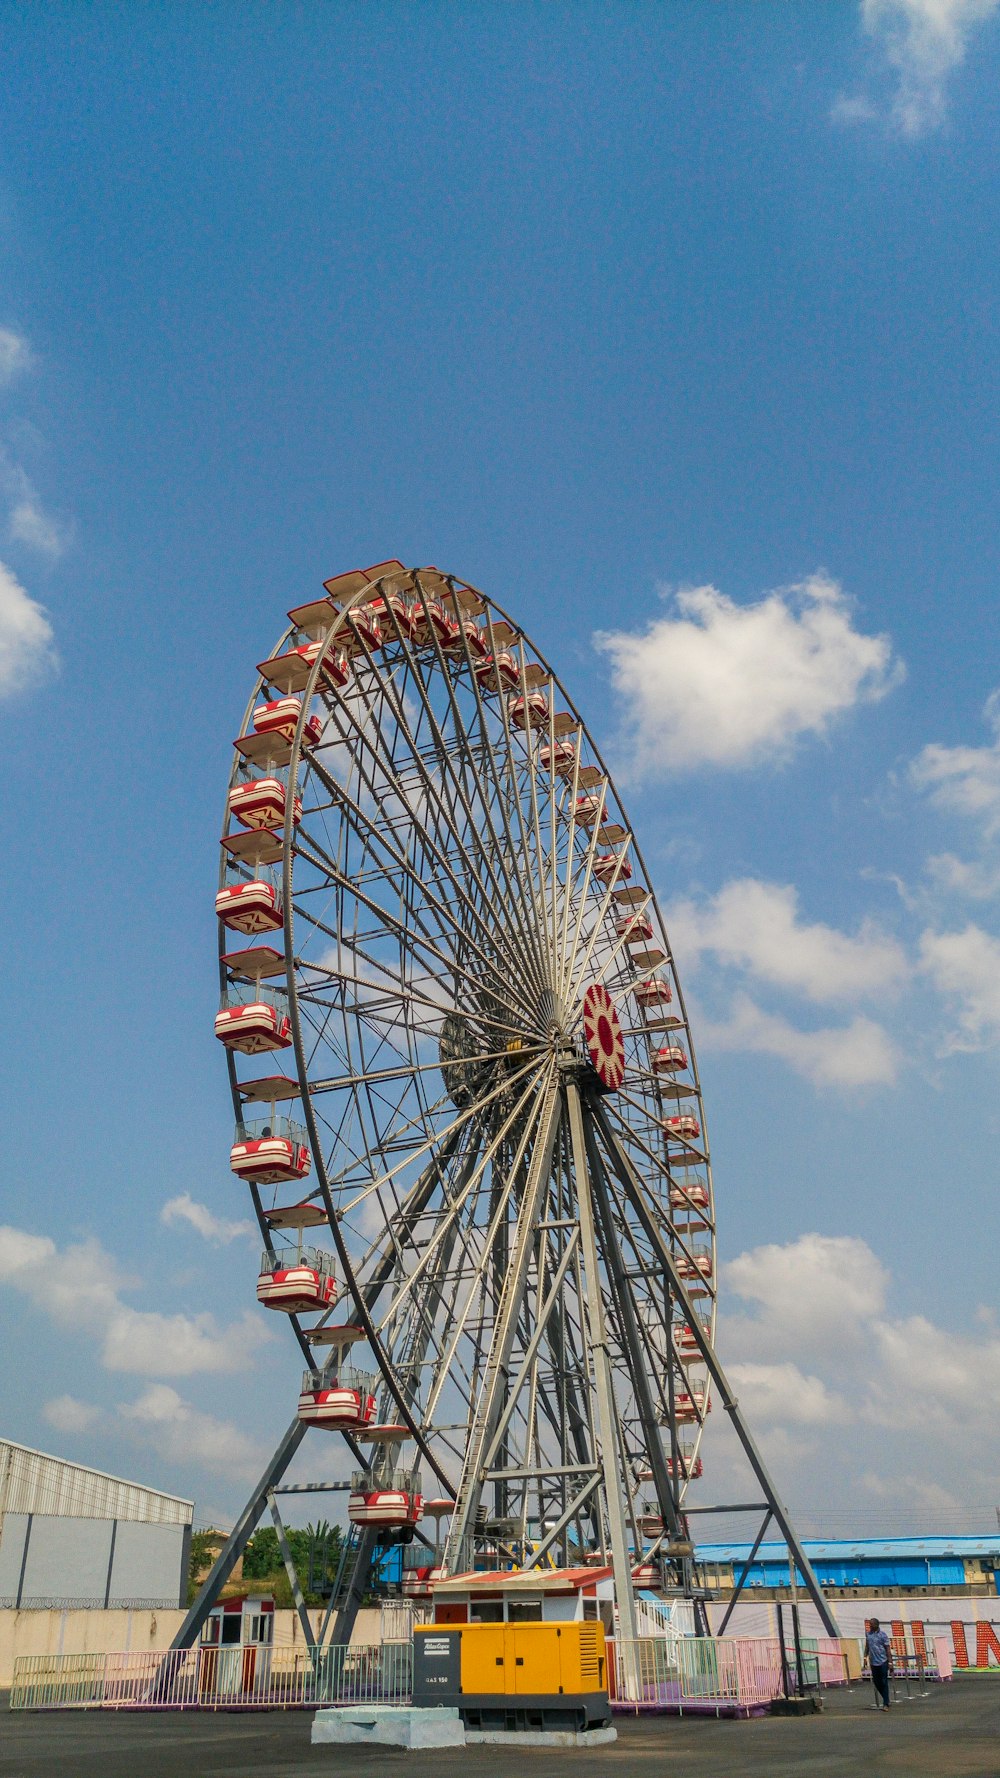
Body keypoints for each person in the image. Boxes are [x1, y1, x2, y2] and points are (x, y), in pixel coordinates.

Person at [864, 1618, 893, 1709]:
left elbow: (887, 1648)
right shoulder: (868, 1635)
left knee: (884, 1681)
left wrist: (890, 1662)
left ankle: (885, 1703)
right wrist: (865, 1657)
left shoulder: (883, 1635)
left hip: (883, 1661)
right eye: (869, 1624)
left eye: (871, 1625)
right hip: (873, 1662)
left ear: (876, 1625)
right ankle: (886, 1699)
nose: (870, 1626)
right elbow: (867, 1646)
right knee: (877, 1682)